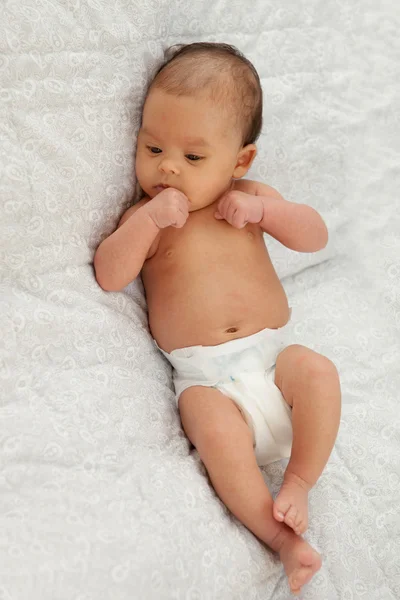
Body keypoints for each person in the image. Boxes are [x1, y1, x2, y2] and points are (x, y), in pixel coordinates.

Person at [94, 42, 341, 596]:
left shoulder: (252, 198)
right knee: (205, 419)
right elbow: (110, 274)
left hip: (277, 366)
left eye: (194, 157)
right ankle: (280, 541)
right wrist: (148, 221)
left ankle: (299, 480)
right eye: (153, 146)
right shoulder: (147, 218)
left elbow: (316, 235)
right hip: (207, 380)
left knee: (319, 370)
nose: (169, 167)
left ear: (240, 160)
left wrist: (266, 211)